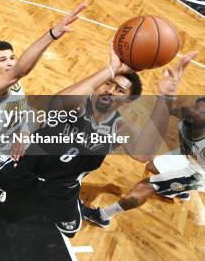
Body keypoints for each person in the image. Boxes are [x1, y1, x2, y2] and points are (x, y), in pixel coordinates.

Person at [0, 42, 197, 237]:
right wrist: (110, 68)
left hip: (62, 187)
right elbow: (54, 104)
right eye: (109, 83)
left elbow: (143, 154)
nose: (110, 91)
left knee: (70, 231)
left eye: (120, 90)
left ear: (127, 101)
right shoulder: (78, 104)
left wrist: (165, 98)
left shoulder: (119, 127)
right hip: (25, 167)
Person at [0, 2, 88, 208]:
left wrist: (23, 135)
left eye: (12, 58)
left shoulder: (14, 85)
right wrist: (52, 34)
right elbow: (20, 70)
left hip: (10, 148)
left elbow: (23, 111)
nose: (10, 63)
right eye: (2, 60)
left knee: (4, 180)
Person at [82, 97, 205, 227]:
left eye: (202, 113)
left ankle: (103, 215)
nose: (195, 112)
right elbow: (180, 111)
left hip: (197, 174)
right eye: (196, 108)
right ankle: (179, 191)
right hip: (187, 155)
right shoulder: (191, 116)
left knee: (144, 187)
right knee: (152, 166)